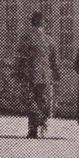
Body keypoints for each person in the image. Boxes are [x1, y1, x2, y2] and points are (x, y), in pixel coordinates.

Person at [14, 10, 61, 138]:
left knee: (30, 99)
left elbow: (19, 57)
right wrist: (56, 73)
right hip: (45, 75)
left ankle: (33, 128)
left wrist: (17, 71)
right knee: (42, 100)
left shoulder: (26, 39)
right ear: (43, 24)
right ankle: (42, 122)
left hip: (29, 74)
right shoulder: (49, 40)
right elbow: (54, 61)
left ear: (32, 23)